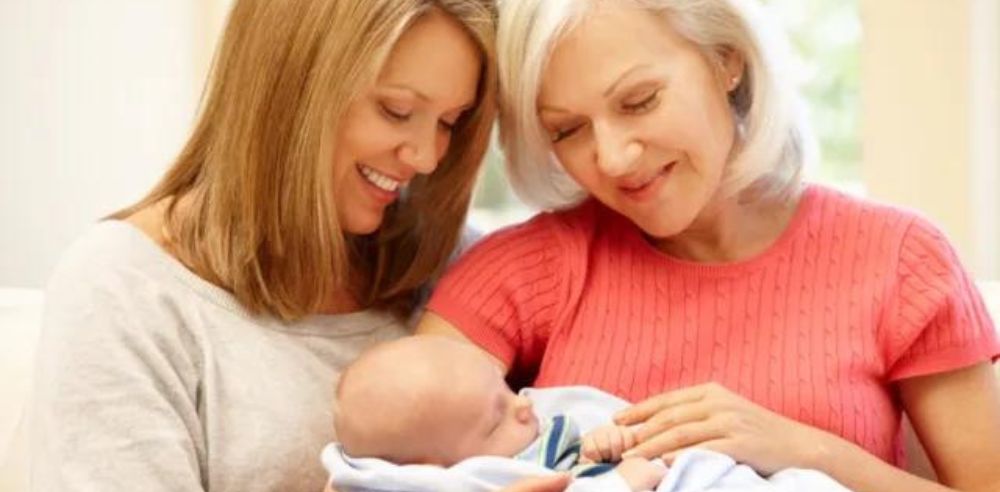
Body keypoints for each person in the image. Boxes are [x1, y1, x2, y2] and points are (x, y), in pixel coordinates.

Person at [416, 0, 1000, 491]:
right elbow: (376, 460)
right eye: (567, 130)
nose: (614, 158)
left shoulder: (900, 259)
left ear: (727, 62)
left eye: (638, 100)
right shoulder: (524, 270)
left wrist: (807, 450)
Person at [29, 1, 510, 490]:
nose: (427, 157)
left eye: (450, 121)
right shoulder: (126, 292)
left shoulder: (457, 268)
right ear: (290, 87)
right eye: (397, 110)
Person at [325, 335, 847, 492]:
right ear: (429, 465)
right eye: (497, 419)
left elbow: (609, 430)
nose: (525, 406)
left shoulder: (523, 418)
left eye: (508, 390)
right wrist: (624, 478)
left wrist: (612, 439)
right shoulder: (477, 477)